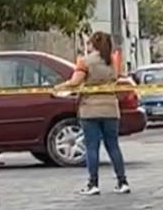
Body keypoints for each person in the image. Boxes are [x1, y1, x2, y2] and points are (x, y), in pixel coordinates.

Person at [55, 31, 130, 196]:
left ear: (92, 45)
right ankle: (122, 181)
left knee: (92, 147)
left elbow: (75, 82)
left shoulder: (85, 62)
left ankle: (93, 183)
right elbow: (116, 79)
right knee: (113, 146)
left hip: (90, 109)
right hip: (111, 108)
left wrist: (59, 87)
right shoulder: (112, 62)